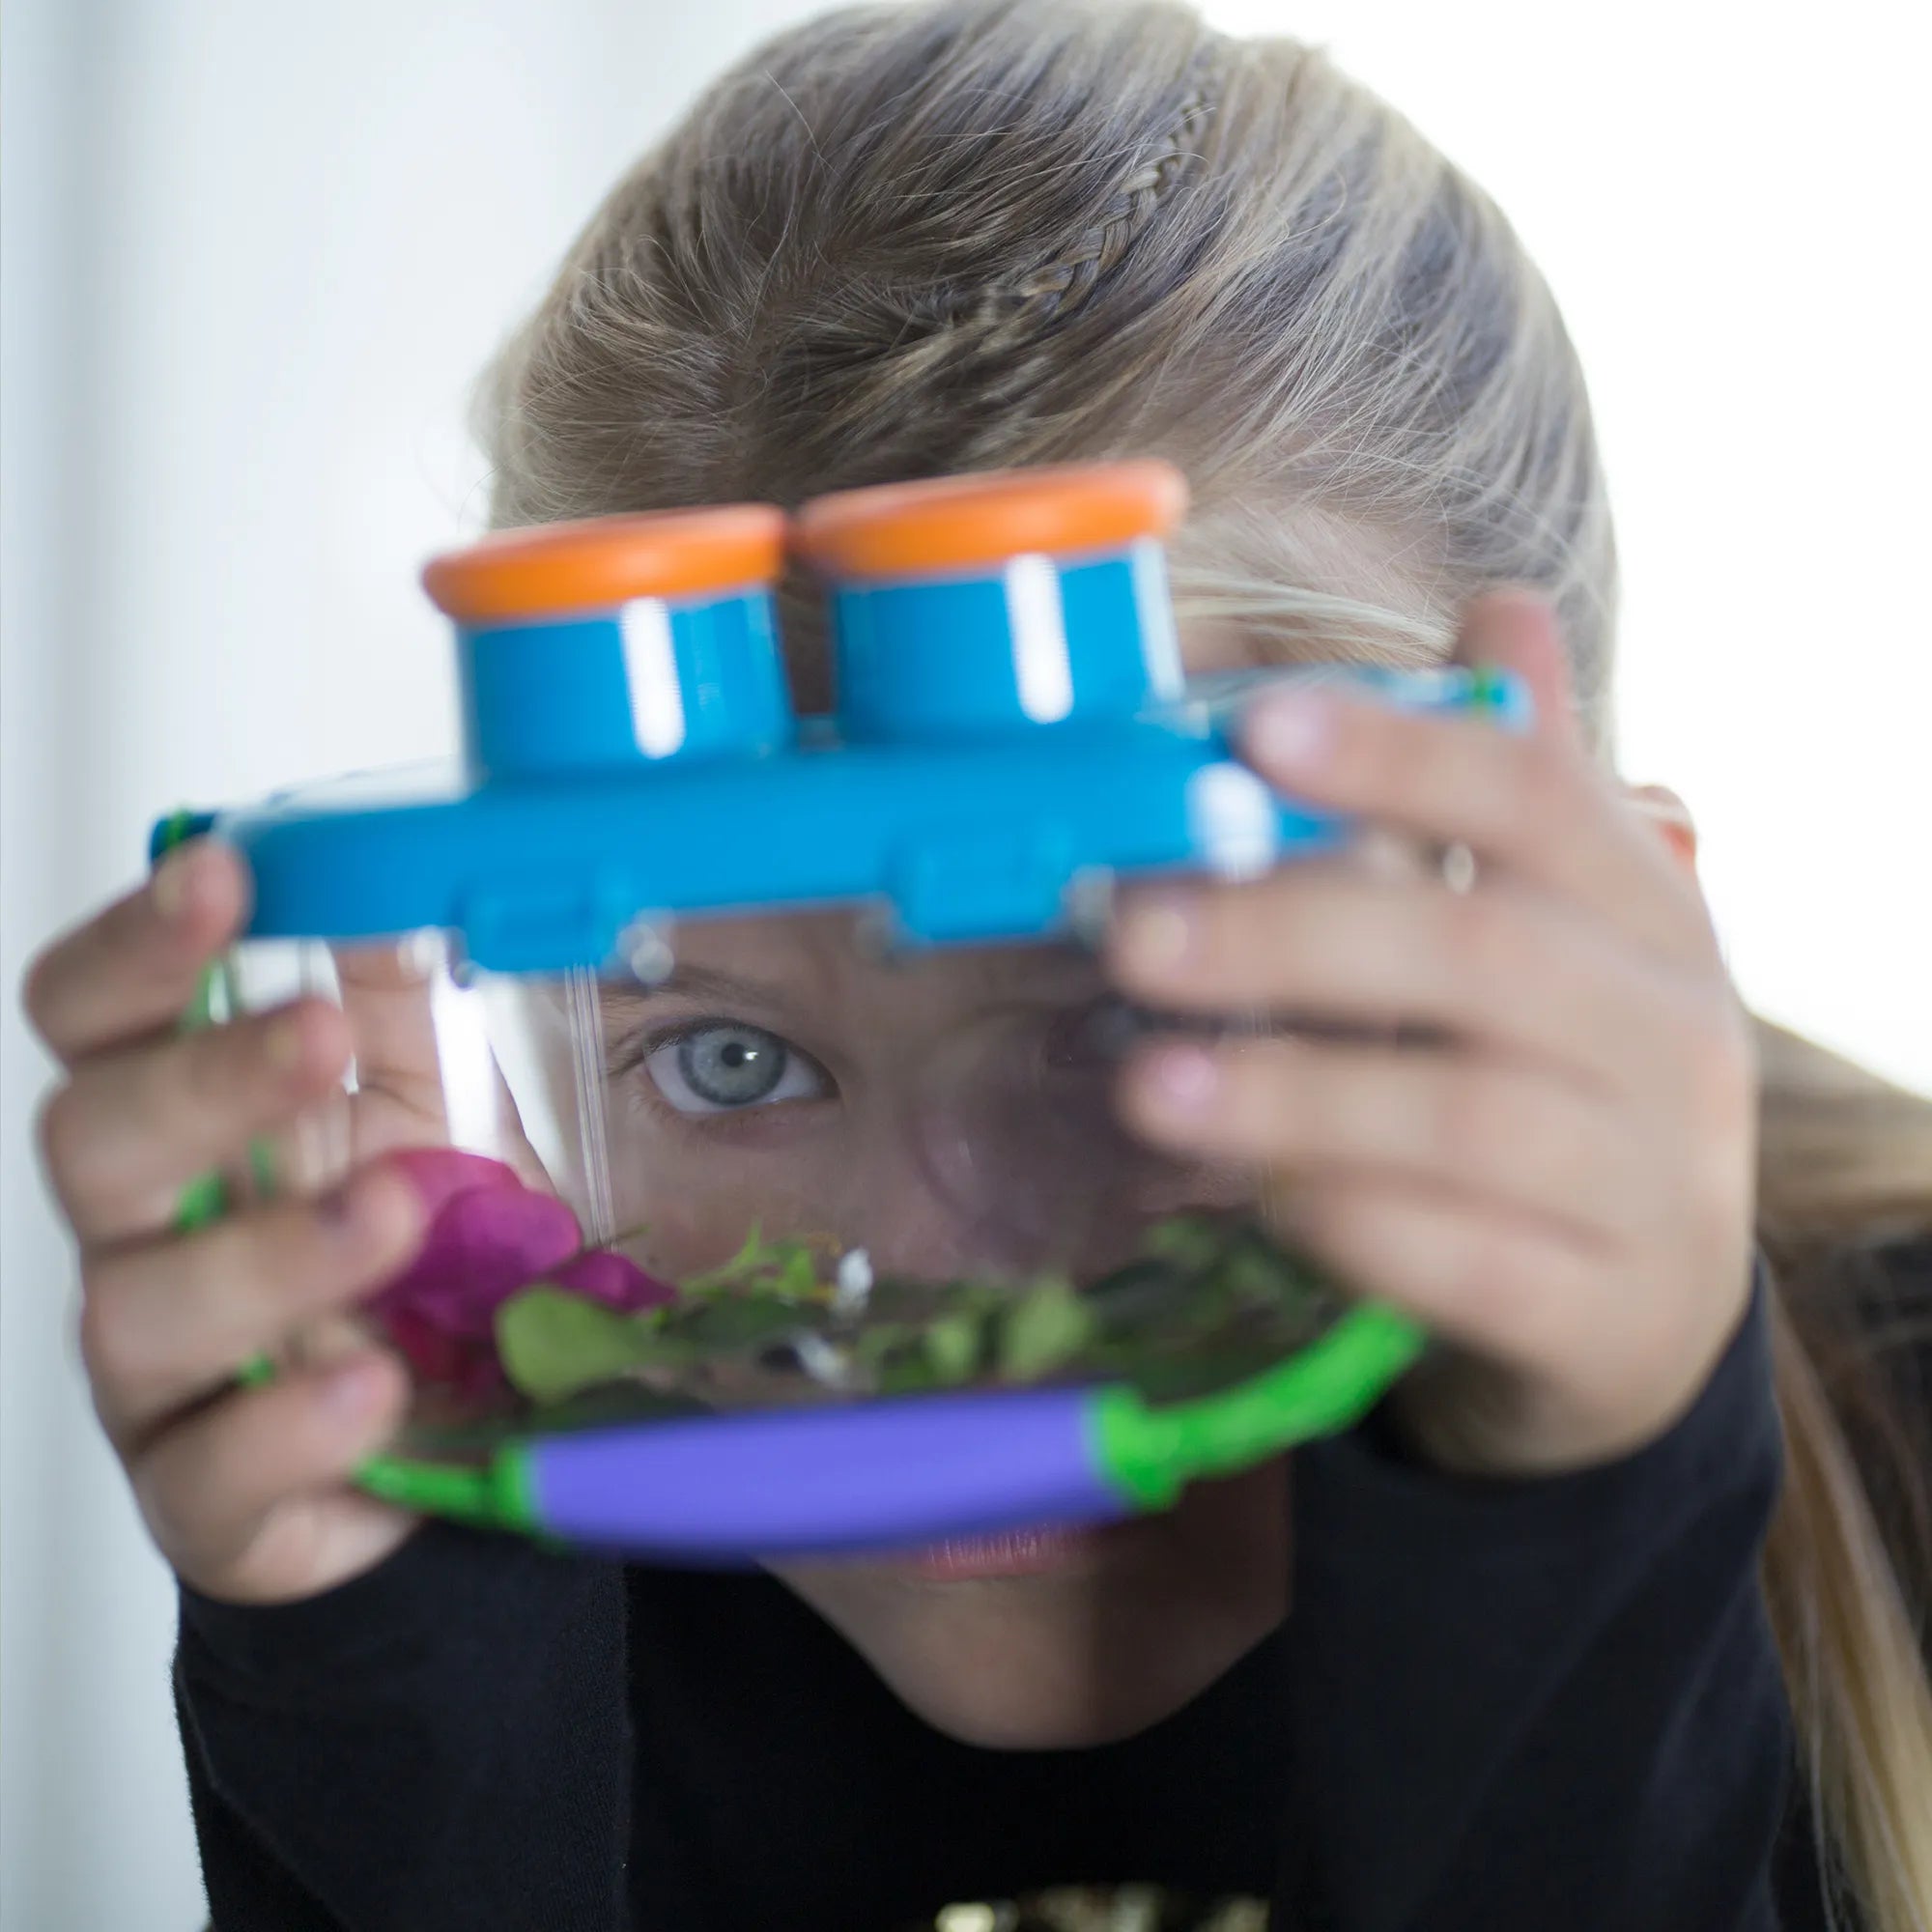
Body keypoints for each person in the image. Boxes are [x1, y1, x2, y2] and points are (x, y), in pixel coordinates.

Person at [22, 2, 1932, 1927]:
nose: (917, 1284)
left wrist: (1576, 1547)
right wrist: (394, 1694)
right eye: (728, 1060)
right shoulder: (528, 1528)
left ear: (1614, 941)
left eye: (1134, 1026)